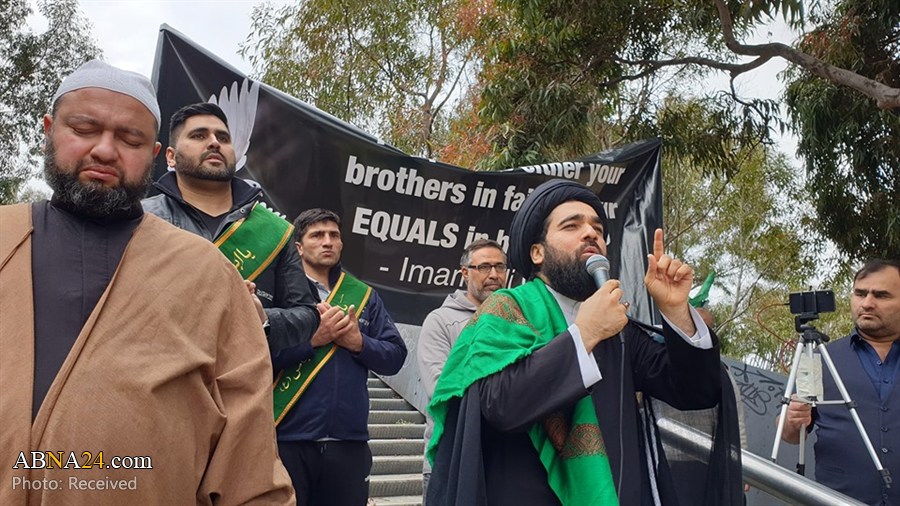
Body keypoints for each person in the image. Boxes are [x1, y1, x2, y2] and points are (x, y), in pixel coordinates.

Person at [0, 60, 293, 504]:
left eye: (129, 138)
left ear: (155, 155)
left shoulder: (206, 271)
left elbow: (249, 466)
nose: (104, 150)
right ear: (48, 129)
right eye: (84, 129)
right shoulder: (5, 237)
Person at [426, 179, 742, 506]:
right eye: (572, 225)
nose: (591, 233)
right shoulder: (506, 309)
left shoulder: (619, 329)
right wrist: (584, 335)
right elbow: (499, 406)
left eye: (597, 227)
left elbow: (696, 390)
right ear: (537, 252)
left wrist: (677, 312)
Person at [142, 102, 319, 371]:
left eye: (222, 138)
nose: (214, 143)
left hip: (240, 389)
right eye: (199, 136)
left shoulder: (277, 230)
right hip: (153, 382)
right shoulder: (140, 219)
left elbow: (307, 314)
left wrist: (263, 320)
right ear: (170, 156)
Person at [282, 208, 408, 506]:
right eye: (317, 235)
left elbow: (395, 356)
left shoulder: (363, 296)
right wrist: (313, 340)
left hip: (348, 443)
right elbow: (255, 353)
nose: (328, 242)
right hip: (286, 440)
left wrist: (358, 342)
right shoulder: (279, 292)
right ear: (299, 246)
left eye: (334, 236)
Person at [781, 259, 900, 506]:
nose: (867, 303)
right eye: (860, 293)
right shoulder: (820, 358)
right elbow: (791, 435)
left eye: (882, 295)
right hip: (838, 499)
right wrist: (793, 419)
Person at [417, 238, 509, 500]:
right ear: (465, 273)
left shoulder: (517, 320)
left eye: (500, 267)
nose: (493, 274)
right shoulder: (440, 321)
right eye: (484, 267)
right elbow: (440, 390)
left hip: (505, 459)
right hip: (451, 456)